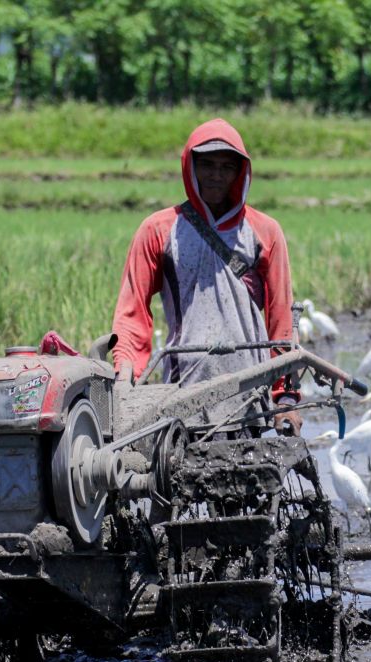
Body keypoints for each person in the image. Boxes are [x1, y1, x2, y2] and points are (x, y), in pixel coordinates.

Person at [111, 118, 303, 434]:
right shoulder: (158, 230)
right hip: (181, 392)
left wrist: (285, 397)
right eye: (207, 164)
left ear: (240, 173)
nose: (216, 175)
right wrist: (125, 374)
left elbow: (281, 318)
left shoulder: (264, 232)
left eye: (226, 167)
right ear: (190, 166)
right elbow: (132, 313)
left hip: (248, 392)